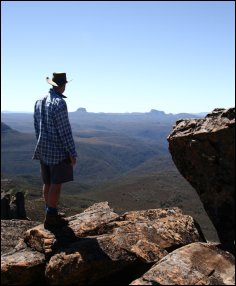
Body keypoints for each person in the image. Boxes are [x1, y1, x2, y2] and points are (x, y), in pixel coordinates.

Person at [33, 72, 77, 229]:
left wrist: (40, 143)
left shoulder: (39, 100)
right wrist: (72, 153)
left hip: (43, 148)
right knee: (56, 184)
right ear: (63, 85)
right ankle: (51, 216)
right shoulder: (59, 103)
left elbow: (36, 125)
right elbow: (65, 132)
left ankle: (49, 211)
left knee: (47, 182)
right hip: (58, 151)